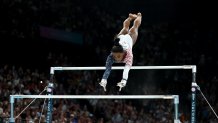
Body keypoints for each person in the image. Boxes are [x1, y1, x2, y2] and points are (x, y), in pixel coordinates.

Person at [99, 12, 142, 91]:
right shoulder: (111, 56)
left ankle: (139, 16)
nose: (117, 58)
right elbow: (108, 68)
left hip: (129, 38)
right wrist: (103, 80)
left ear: (123, 53)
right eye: (115, 56)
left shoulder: (129, 54)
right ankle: (129, 18)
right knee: (125, 28)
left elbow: (126, 69)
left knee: (135, 27)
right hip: (120, 38)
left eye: (118, 56)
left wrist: (124, 80)